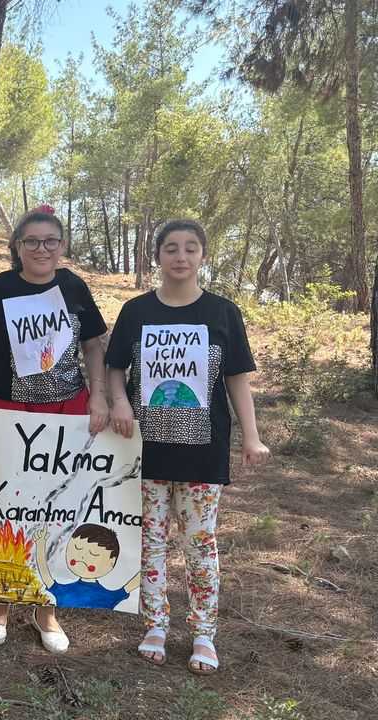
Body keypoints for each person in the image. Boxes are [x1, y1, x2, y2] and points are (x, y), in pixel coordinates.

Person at [106, 218, 270, 674]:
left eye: (191, 248)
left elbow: (237, 379)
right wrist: (120, 401)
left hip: (203, 451)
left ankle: (203, 633)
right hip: (143, 451)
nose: (181, 256)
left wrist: (251, 435)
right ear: (157, 256)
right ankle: (155, 625)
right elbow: (115, 367)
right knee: (151, 543)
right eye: (172, 248)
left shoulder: (223, 313)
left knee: (199, 543)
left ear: (203, 255)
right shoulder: (136, 311)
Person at [0, 205, 109, 654]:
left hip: (67, 411)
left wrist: (98, 394)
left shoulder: (74, 286)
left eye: (50, 241)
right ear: (17, 246)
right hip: (8, 412)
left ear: (61, 246)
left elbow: (93, 345)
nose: (41, 249)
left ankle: (45, 606)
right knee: (7, 507)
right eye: (32, 241)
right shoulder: (1, 287)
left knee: (59, 509)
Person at [34, 525, 140, 609]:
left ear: (112, 563)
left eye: (93, 554)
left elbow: (132, 584)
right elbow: (45, 576)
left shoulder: (107, 597)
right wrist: (40, 545)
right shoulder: (64, 591)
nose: (82, 557)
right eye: (77, 548)